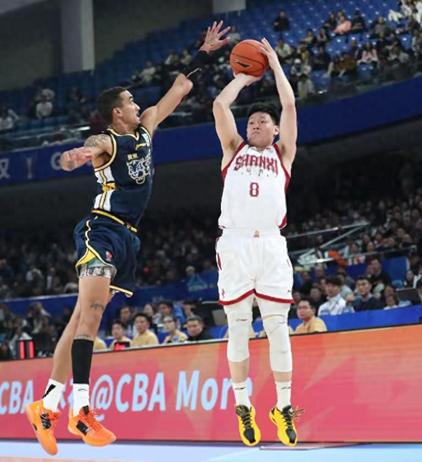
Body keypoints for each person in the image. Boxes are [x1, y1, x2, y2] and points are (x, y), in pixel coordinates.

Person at [24, 22, 231, 456]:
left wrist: (204, 52)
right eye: (131, 101)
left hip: (127, 238)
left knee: (81, 319)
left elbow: (180, 87)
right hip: (100, 227)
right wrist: (77, 155)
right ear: (117, 112)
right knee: (92, 312)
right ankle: (81, 410)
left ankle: (47, 405)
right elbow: (88, 146)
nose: (138, 104)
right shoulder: (107, 141)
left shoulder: (147, 127)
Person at [212, 37, 300, 447]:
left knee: (278, 328)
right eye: (251, 122)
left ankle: (283, 407)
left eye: (263, 121)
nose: (255, 124)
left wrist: (275, 66)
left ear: (276, 130)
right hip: (235, 243)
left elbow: (290, 105)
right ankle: (243, 405)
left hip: (271, 246)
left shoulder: (283, 155)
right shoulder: (233, 150)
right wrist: (243, 78)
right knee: (238, 328)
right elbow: (219, 106)